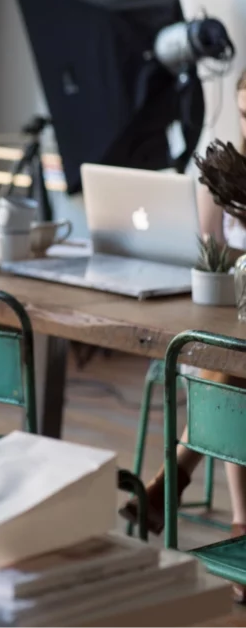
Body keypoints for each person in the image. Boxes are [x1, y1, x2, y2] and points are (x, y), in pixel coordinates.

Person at [120, 69, 246, 604]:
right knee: (230, 366)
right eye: (244, 114)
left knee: (231, 371)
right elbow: (213, 258)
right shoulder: (227, 173)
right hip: (234, 320)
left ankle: (172, 483)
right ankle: (240, 524)